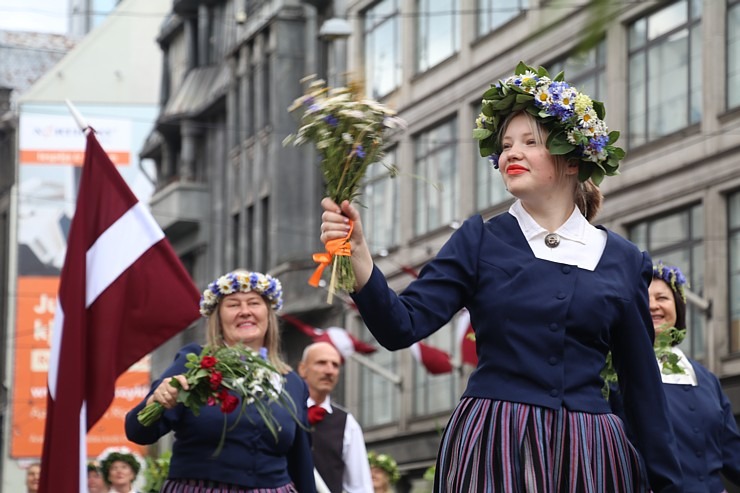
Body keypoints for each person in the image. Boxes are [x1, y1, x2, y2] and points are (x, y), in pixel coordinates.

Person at [318, 62, 684, 492]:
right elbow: (401, 326)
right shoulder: (479, 239)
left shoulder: (623, 259)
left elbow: (642, 387)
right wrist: (359, 253)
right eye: (506, 144)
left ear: (573, 162)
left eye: (531, 142)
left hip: (590, 451)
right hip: (496, 440)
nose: (511, 153)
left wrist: (671, 485)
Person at [125, 269, 316, 493]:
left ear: (268, 313)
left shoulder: (291, 382)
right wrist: (157, 402)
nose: (245, 311)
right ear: (218, 317)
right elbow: (137, 431)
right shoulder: (195, 364)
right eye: (233, 304)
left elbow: (301, 463)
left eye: (254, 303)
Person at [647, 262, 740, 492]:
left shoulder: (707, 380)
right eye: (643, 298)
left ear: (678, 306)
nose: (652, 305)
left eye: (662, 298)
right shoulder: (616, 376)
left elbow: (732, 451)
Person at [298, 341, 373, 493]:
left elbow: (360, 487)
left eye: (335, 365)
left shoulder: (347, 423)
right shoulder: (284, 411)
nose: (329, 370)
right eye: (321, 363)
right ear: (303, 369)